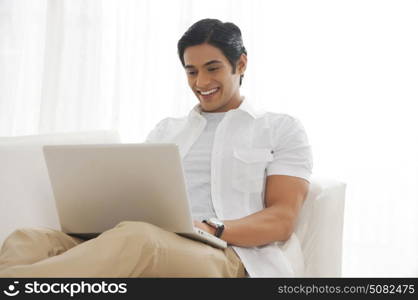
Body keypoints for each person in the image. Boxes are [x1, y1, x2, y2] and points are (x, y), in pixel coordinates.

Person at [0, 18, 312, 278]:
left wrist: (211, 228)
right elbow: (139, 196)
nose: (201, 81)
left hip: (226, 254)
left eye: (212, 68)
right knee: (26, 240)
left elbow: (282, 219)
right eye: (191, 71)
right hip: (144, 235)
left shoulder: (280, 128)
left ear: (240, 63)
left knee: (139, 240)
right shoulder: (168, 130)